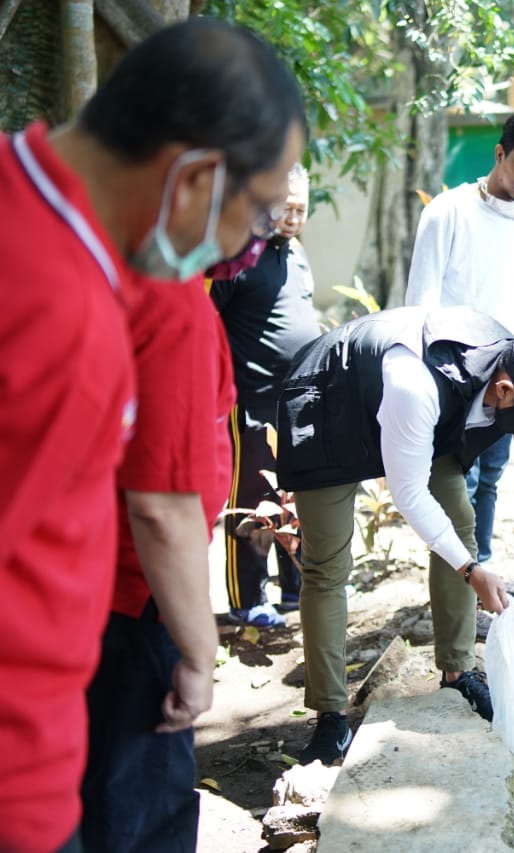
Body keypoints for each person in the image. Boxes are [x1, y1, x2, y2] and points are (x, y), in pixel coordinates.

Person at [0, 17, 305, 853]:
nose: (253, 236)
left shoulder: (47, 226)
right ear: (198, 175)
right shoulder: (68, 311)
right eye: (255, 207)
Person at [276, 305, 514, 766]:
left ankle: (457, 673)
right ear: (504, 388)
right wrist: (471, 570)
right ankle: (330, 715)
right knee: (328, 565)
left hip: (417, 419)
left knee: (459, 517)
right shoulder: (417, 384)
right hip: (332, 406)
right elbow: (409, 492)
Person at [80, 273, 237, 852]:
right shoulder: (170, 305)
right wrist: (199, 651)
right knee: (136, 809)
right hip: (134, 594)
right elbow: (161, 508)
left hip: (91, 587)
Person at [405, 110, 514, 565]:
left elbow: (509, 301)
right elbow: (421, 304)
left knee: (492, 477)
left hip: (504, 371)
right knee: (459, 481)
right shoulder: (447, 211)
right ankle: (461, 579)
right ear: (500, 153)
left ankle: (485, 573)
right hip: (450, 369)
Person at [211, 164, 321, 629]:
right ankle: (247, 598)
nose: (293, 216)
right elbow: (206, 322)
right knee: (253, 498)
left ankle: (295, 586)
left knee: (294, 493)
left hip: (296, 399)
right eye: (285, 206)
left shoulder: (295, 252)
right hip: (250, 398)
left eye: (301, 207)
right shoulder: (238, 255)